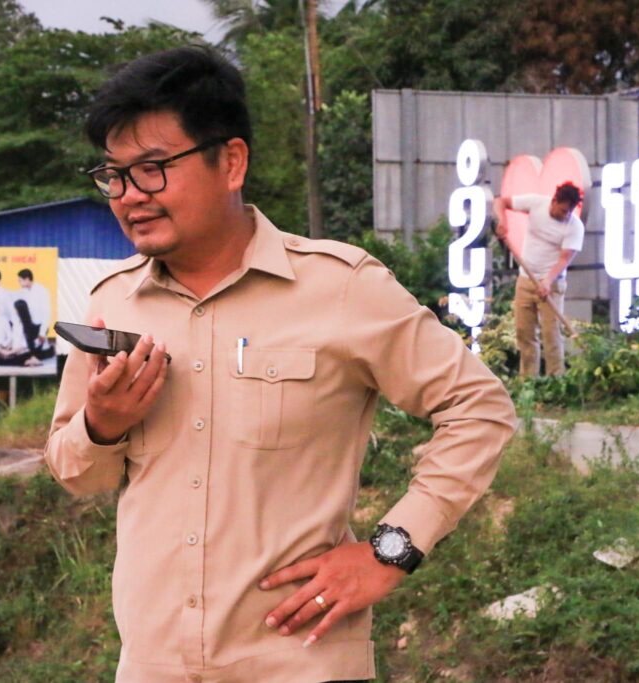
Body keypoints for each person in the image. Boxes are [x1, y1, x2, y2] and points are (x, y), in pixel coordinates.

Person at [44, 46, 516, 683]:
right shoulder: (113, 302)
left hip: (299, 664)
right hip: (153, 665)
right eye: (114, 176)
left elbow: (479, 408)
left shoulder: (341, 288)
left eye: (152, 170)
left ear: (230, 162)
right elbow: (76, 474)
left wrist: (391, 550)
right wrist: (101, 425)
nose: (130, 197)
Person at [493, 182, 585, 376]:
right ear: (554, 201)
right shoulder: (536, 203)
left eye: (569, 211)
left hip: (552, 284)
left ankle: (555, 379)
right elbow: (500, 202)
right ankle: (528, 381)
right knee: (524, 333)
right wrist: (503, 221)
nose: (566, 215)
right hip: (526, 279)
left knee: (551, 334)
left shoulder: (575, 226)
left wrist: (547, 281)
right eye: (563, 210)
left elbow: (564, 259)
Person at [14, 268, 54, 357]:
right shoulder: (22, 292)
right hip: (28, 326)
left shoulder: (42, 291)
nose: (19, 283)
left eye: (20, 281)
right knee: (25, 351)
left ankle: (47, 350)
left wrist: (42, 332)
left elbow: (47, 313)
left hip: (39, 326)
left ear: (27, 279)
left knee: (37, 352)